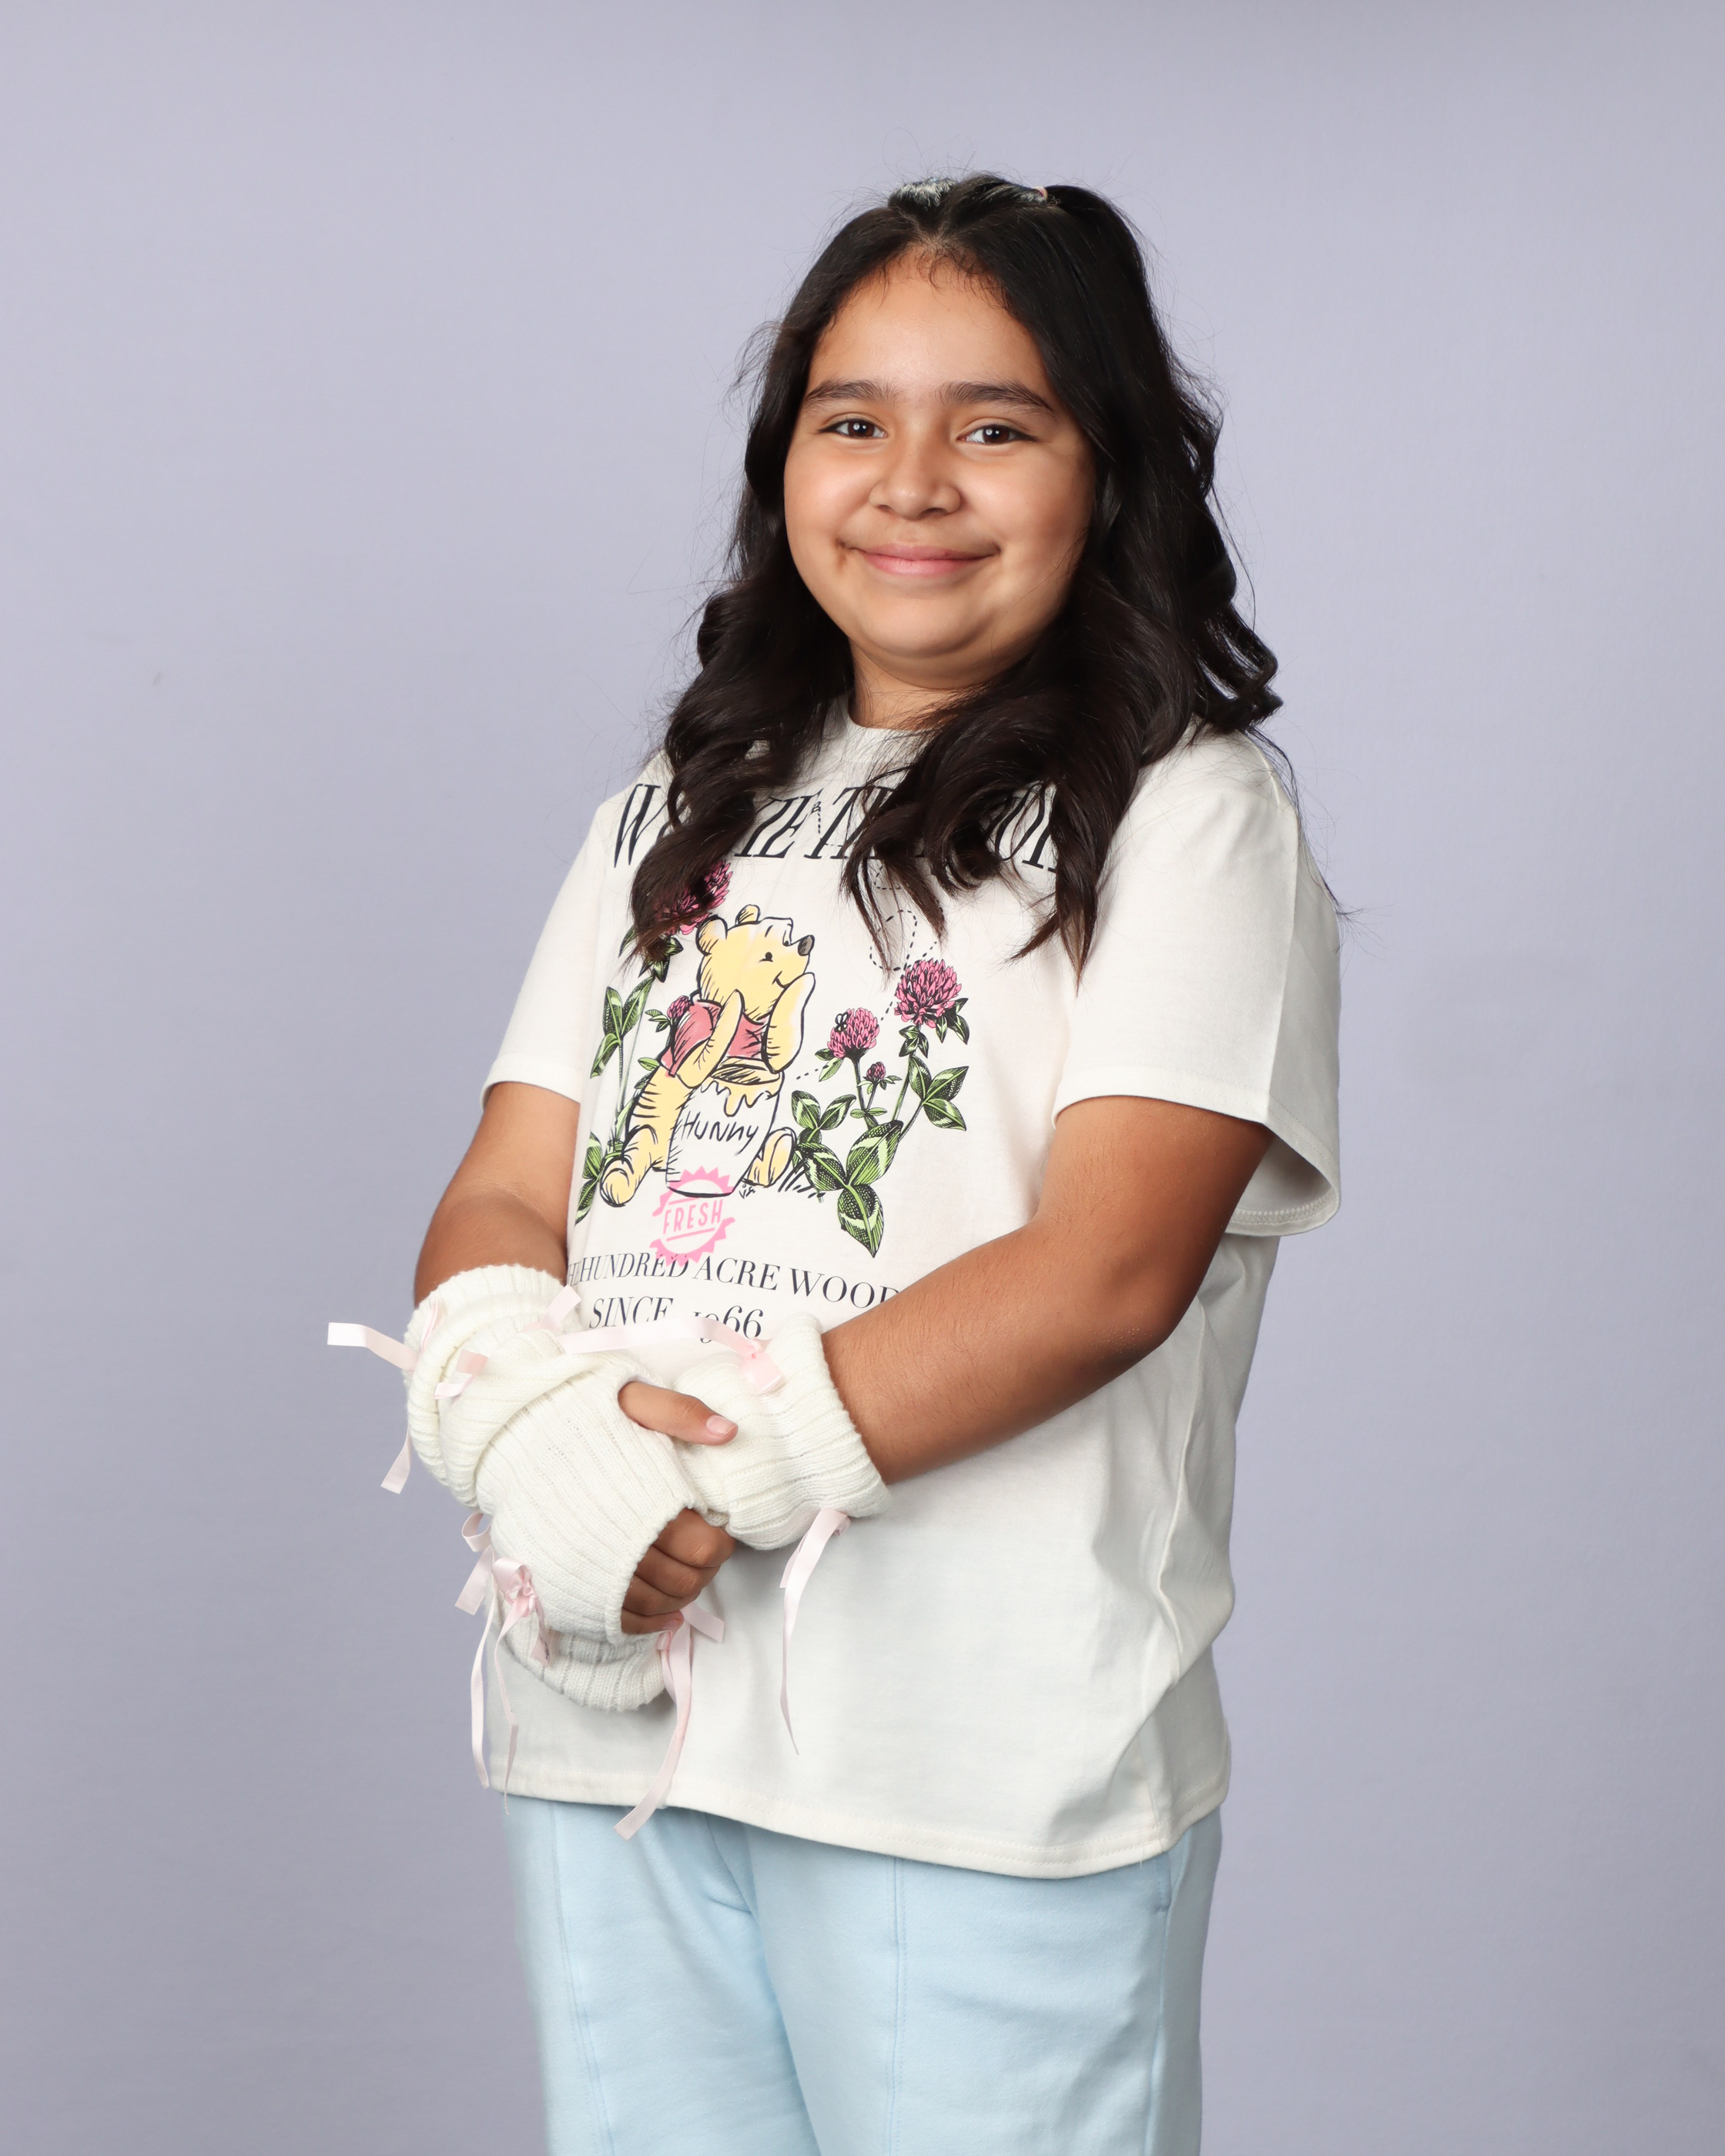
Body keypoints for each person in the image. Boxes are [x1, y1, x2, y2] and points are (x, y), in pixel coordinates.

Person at [376, 174, 1339, 2154]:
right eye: (852, 417)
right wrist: (525, 1437)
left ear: (1109, 472)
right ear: (784, 463)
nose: (913, 480)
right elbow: (504, 1189)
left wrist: (698, 1482)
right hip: (614, 1709)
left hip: (976, 1760)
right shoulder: (673, 804)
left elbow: (1107, 1270)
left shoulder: (1188, 815)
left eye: (996, 424)